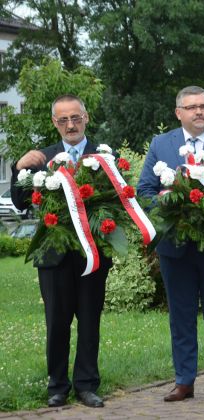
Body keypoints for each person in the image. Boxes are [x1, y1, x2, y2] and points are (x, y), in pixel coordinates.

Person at [137, 86, 204, 404]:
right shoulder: (161, 144)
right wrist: (167, 201)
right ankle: (184, 381)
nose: (199, 111)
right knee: (181, 316)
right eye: (192, 107)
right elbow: (144, 189)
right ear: (179, 113)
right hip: (175, 249)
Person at [10, 94, 110, 408]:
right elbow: (20, 201)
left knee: (90, 320)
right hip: (53, 256)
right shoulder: (42, 157)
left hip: (92, 254)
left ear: (86, 118)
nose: (70, 124)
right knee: (56, 321)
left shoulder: (104, 156)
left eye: (75, 118)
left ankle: (86, 385)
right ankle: (57, 386)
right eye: (63, 119)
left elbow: (119, 201)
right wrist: (18, 168)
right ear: (55, 123)